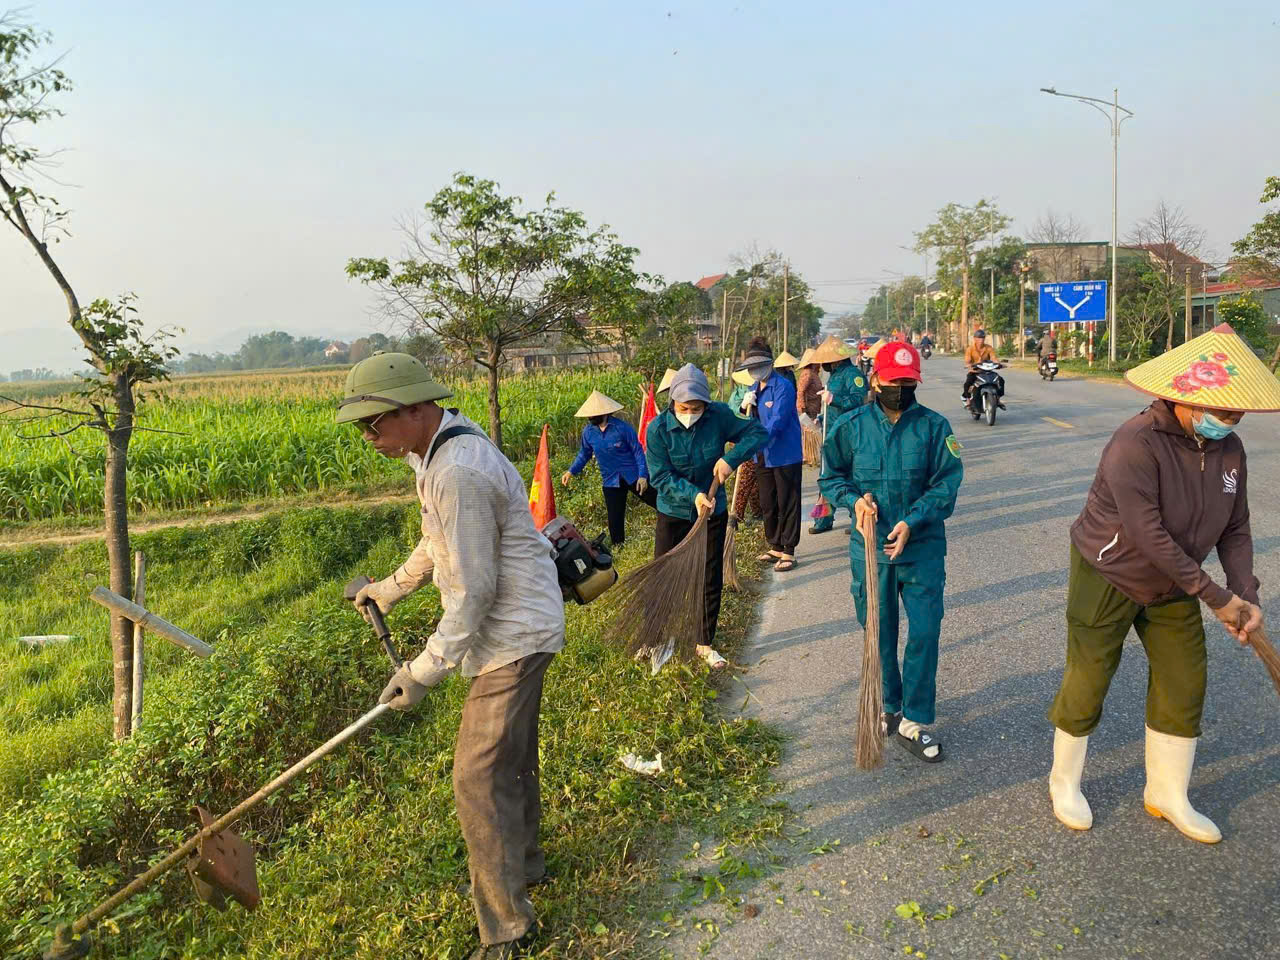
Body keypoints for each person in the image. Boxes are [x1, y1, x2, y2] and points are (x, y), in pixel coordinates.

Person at [337, 352, 563, 960]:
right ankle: (530, 866)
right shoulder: (433, 451)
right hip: (514, 628)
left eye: (374, 423)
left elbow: (472, 593)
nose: (369, 436)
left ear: (414, 408)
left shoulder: (457, 468)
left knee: (476, 776)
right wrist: (389, 587)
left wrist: (422, 672)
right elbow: (437, 540)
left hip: (512, 636)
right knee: (508, 759)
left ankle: (507, 926)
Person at [1046, 323, 1275, 843]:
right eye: (1224, 411)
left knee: (1184, 678)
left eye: (1237, 414)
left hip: (1177, 582)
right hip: (1111, 571)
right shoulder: (1136, 442)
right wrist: (1217, 598)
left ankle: (1168, 793)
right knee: (1091, 674)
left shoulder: (1230, 451)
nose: (1231, 421)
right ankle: (1065, 781)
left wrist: (1246, 595)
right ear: (1186, 399)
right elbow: (1147, 535)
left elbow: (1235, 528)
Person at [819, 341, 963, 762]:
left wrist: (911, 520)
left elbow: (946, 483)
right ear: (876, 379)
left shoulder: (935, 427)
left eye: (908, 381)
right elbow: (831, 477)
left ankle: (914, 719)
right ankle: (888, 705)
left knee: (924, 631)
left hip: (921, 549)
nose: (900, 387)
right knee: (878, 632)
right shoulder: (850, 426)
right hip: (870, 552)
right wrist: (853, 501)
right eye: (893, 380)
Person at [646, 363, 768, 669]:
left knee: (708, 577)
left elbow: (757, 432)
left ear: (706, 404)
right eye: (684, 407)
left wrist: (730, 459)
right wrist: (694, 495)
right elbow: (660, 477)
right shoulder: (657, 429)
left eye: (697, 407)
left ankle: (704, 642)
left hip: (714, 511)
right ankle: (657, 639)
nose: (690, 412)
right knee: (664, 575)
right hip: (673, 512)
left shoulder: (719, 417)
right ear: (672, 401)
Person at [561, 390, 657, 548]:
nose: (590, 418)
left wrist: (642, 475)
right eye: (589, 416)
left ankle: (676, 523)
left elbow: (638, 451)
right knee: (614, 516)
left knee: (657, 501)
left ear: (605, 413)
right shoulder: (588, 433)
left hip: (633, 476)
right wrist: (571, 471)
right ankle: (619, 547)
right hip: (610, 480)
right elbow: (584, 454)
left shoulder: (622, 428)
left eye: (593, 415)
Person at [739, 339, 803, 572]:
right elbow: (747, 418)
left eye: (759, 365)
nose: (755, 370)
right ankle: (774, 544)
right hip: (762, 455)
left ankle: (789, 550)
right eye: (751, 366)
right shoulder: (753, 388)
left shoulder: (783, 387)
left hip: (785, 454)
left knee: (788, 501)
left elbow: (778, 421)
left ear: (770, 363)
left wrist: (755, 437)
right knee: (768, 501)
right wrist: (743, 405)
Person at [796, 348, 834, 534]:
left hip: (817, 413)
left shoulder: (815, 374)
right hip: (809, 412)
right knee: (811, 442)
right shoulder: (806, 374)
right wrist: (802, 410)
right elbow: (800, 393)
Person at [726, 366, 763, 522]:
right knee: (744, 479)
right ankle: (736, 516)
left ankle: (757, 512)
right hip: (742, 442)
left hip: (758, 441)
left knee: (754, 479)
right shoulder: (738, 394)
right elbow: (732, 416)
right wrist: (743, 406)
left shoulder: (761, 392)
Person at [962, 328, 996, 401]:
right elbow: (967, 360)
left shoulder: (989, 348)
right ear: (975, 339)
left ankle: (998, 399)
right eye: (979, 338)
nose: (981, 340)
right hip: (975, 371)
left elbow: (993, 358)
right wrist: (969, 364)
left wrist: (998, 364)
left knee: (1000, 380)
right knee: (967, 383)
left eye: (983, 338)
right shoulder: (970, 349)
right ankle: (968, 400)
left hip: (987, 371)